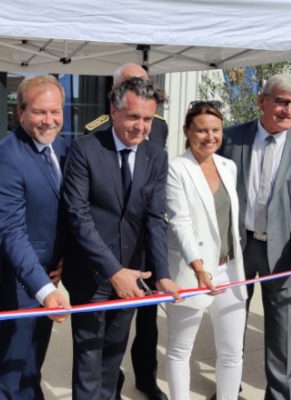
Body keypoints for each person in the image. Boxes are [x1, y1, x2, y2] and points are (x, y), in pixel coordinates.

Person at [62, 77, 181, 399]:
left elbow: (155, 219)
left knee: (114, 353)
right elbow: (78, 216)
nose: (140, 126)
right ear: (113, 112)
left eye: (147, 119)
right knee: (89, 358)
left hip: (134, 273)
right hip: (93, 274)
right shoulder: (84, 150)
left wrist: (163, 275)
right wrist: (114, 271)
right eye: (133, 117)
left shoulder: (156, 156)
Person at [219, 74, 291, 400]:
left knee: (280, 330)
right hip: (237, 246)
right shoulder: (229, 139)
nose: (288, 110)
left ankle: (280, 394)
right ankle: (228, 388)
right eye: (281, 101)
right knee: (231, 320)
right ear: (262, 101)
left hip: (283, 251)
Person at [87, 62, 170, 400]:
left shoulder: (158, 130)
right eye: (132, 84)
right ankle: (112, 383)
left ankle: (146, 378)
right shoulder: (94, 132)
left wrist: (162, 270)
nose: (141, 125)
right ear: (115, 96)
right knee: (102, 344)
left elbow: (154, 206)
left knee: (146, 326)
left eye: (144, 83)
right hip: (105, 256)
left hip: (143, 253)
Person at [0, 75, 71, 399]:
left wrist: (64, 259)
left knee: (32, 367)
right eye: (39, 112)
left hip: (50, 275)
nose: (49, 120)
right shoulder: (7, 156)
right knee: (11, 372)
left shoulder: (62, 147)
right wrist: (44, 288)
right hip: (18, 283)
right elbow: (9, 231)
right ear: (20, 113)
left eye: (56, 111)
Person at [164, 101, 247, 400]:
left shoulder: (228, 166)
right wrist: (200, 268)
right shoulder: (176, 168)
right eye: (201, 130)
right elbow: (180, 222)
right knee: (180, 349)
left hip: (229, 270)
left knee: (232, 351)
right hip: (191, 271)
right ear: (187, 132)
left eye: (215, 130)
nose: (209, 136)